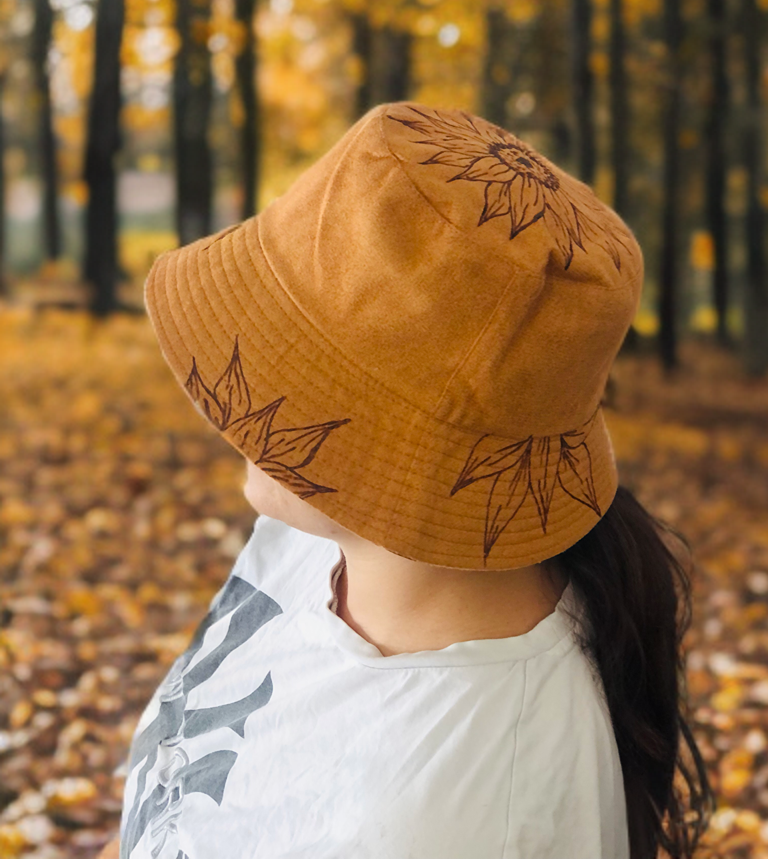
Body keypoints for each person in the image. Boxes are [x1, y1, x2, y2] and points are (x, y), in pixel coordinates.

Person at [102, 102, 714, 859]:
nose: (244, 389)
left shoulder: (456, 817)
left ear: (401, 437)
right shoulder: (327, 538)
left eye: (291, 356)